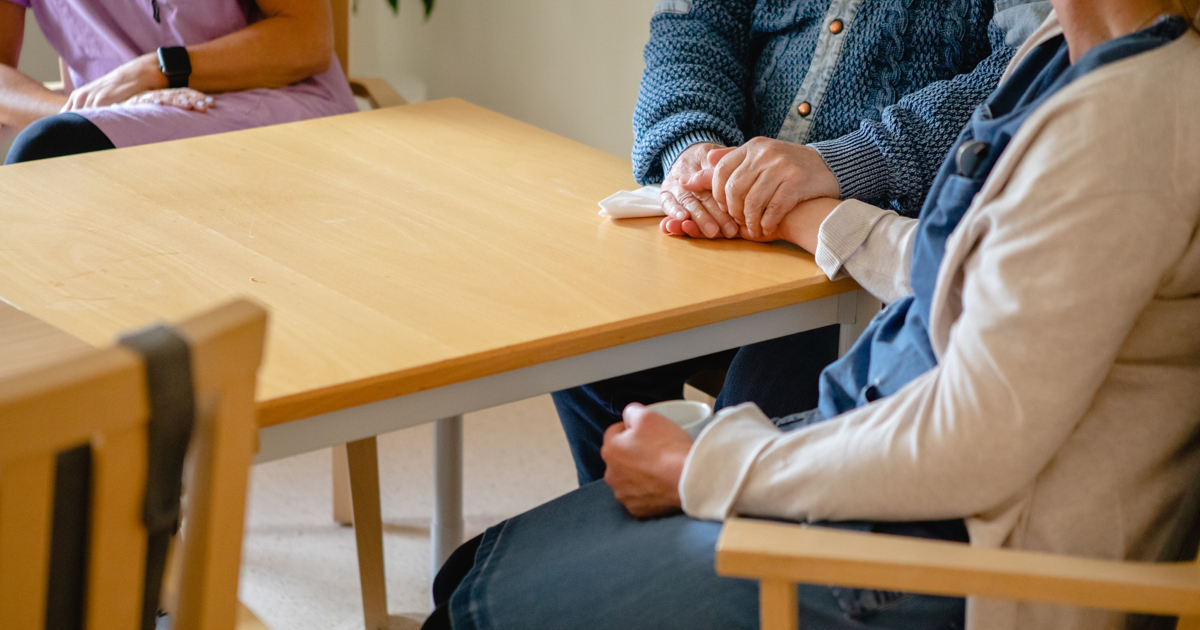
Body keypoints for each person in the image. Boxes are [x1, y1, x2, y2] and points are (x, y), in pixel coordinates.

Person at [425, 2, 1200, 629]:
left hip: (949, 557)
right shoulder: (1068, 57)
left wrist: (702, 471)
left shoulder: (1125, 122)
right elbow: (969, 265)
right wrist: (799, 214)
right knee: (473, 568)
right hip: (886, 456)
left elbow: (975, 440)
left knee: (469, 600)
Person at [552, 0, 1053, 487]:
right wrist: (695, 148)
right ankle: (624, 529)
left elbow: (1034, 71)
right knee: (588, 342)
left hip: (875, 257)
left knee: (754, 418)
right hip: (726, 219)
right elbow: (693, 25)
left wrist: (844, 162)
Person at [0, 0, 355, 164]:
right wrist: (76, 111)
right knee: (52, 148)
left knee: (49, 148)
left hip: (264, 103)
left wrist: (153, 71)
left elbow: (308, 39)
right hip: (107, 125)